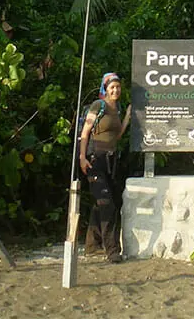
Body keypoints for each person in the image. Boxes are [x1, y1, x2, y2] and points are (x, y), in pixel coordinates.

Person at [79, 72, 131, 263]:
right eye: (112, 87)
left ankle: (92, 246)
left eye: (118, 87)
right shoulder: (98, 105)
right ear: (105, 89)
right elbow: (85, 132)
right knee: (106, 203)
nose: (115, 90)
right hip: (95, 159)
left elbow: (115, 137)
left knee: (104, 202)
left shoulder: (116, 108)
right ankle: (112, 250)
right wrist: (82, 157)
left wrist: (125, 119)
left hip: (111, 161)